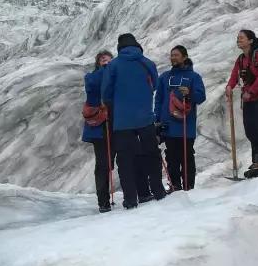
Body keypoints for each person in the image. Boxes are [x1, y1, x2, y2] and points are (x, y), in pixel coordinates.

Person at [101, 33, 166, 209]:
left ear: (119, 47)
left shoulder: (113, 65)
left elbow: (106, 92)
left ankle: (131, 199)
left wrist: (114, 103)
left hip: (122, 121)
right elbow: (154, 85)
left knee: (125, 160)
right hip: (145, 118)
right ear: (136, 45)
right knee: (152, 155)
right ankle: (158, 191)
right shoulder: (147, 63)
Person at [225, 29, 258, 179]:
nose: (238, 40)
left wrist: (252, 92)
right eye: (238, 38)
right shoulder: (241, 59)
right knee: (251, 130)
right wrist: (229, 87)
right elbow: (234, 75)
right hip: (248, 100)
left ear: (250, 40)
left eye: (241, 38)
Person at [155, 45, 206, 190]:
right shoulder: (164, 77)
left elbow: (201, 97)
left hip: (186, 125)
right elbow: (158, 99)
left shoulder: (194, 77)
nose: (173, 58)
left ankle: (188, 186)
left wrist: (189, 93)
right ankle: (175, 185)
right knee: (171, 157)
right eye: (172, 55)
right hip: (168, 125)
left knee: (187, 157)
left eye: (176, 55)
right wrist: (157, 120)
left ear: (184, 57)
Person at [82, 50, 114, 213]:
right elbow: (93, 87)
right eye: (101, 59)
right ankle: (103, 201)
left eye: (107, 59)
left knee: (115, 161)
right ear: (97, 63)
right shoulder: (91, 77)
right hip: (99, 128)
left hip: (115, 125)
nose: (104, 60)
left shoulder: (116, 75)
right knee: (103, 164)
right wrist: (105, 70)